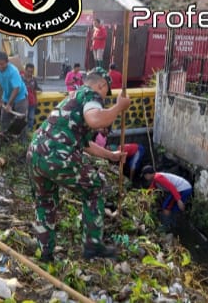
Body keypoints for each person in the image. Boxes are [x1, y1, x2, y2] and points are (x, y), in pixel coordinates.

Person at [27, 69, 131, 261]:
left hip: (35, 153)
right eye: (105, 92)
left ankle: (45, 253)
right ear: (101, 85)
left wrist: (111, 155)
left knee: (45, 200)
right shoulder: (90, 95)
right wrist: (119, 107)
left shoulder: (73, 97)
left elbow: (86, 144)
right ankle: (92, 246)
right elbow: (95, 118)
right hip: (56, 154)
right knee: (96, 187)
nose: (103, 98)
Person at [22, 63, 42, 132]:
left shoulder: (34, 79)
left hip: (32, 103)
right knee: (23, 119)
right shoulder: (20, 78)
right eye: (28, 71)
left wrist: (36, 101)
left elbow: (35, 89)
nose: (30, 73)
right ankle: (23, 134)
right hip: (22, 103)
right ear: (25, 70)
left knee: (31, 118)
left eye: (31, 72)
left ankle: (29, 132)